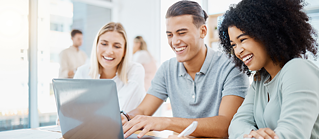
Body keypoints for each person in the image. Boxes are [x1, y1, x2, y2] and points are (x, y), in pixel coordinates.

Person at [121, 1, 249, 138]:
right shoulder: (167, 69)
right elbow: (143, 110)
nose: (174, 42)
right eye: (170, 35)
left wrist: (166, 122)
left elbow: (225, 125)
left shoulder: (231, 66)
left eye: (181, 33)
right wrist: (126, 117)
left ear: (203, 31)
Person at [219, 0, 319, 138]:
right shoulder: (260, 80)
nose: (238, 51)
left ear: (266, 34)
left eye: (242, 40)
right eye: (233, 45)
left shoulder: (298, 70)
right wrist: (251, 135)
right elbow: (237, 124)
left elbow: (292, 135)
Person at [74, 22, 146, 112]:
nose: (109, 51)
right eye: (104, 44)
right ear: (96, 46)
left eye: (116, 46)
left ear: (124, 51)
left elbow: (120, 112)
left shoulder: (135, 70)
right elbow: (69, 111)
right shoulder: (82, 71)